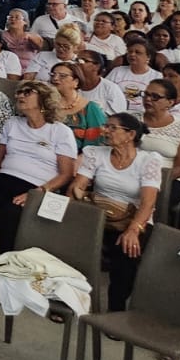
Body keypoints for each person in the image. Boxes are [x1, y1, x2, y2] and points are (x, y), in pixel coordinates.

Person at [70, 113, 163, 310]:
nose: (105, 131)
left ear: (130, 135)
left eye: (112, 128)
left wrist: (133, 230)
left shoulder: (148, 160)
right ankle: (69, 301)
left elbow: (148, 203)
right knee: (72, 242)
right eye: (106, 126)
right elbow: (78, 186)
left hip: (131, 219)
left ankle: (116, 308)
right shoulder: (96, 153)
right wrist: (76, 192)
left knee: (126, 250)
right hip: (98, 215)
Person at [0, 79, 78, 253]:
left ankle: (5, 265)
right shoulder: (12, 124)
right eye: (19, 92)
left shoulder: (60, 131)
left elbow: (66, 174)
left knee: (12, 213)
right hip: (3, 180)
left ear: (44, 99)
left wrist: (38, 192)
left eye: (27, 92)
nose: (20, 95)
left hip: (37, 187)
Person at [50, 62, 106, 150]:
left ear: (76, 82)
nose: (55, 78)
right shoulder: (45, 105)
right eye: (53, 75)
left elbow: (95, 143)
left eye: (62, 76)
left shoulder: (90, 108)